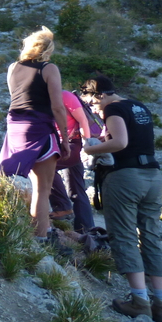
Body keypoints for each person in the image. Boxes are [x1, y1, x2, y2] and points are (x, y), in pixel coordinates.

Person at [81, 75, 162, 322]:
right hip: (153, 176)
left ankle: (139, 301)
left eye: (91, 102)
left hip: (126, 178)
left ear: (99, 95)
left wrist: (90, 150)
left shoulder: (112, 108)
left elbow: (121, 142)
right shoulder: (138, 106)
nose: (93, 109)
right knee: (151, 236)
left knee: (124, 235)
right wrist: (105, 140)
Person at [0, 27, 70, 243]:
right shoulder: (49, 69)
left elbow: (16, 97)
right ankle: (40, 238)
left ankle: (5, 224)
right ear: (48, 50)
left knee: (9, 177)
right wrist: (65, 139)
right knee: (42, 188)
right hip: (39, 127)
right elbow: (58, 107)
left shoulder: (12, 68)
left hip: (15, 126)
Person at [48, 89, 94, 232]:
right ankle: (87, 231)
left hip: (74, 143)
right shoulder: (39, 97)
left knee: (44, 167)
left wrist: (86, 145)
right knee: (77, 188)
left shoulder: (65, 96)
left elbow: (83, 120)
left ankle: (62, 206)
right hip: (59, 144)